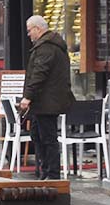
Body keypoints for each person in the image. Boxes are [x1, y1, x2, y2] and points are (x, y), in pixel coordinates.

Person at [19, 15, 75, 180]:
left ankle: (52, 174)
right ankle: (44, 171)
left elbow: (39, 73)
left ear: (37, 28)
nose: (28, 34)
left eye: (29, 31)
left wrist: (27, 96)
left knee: (47, 138)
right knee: (38, 135)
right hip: (45, 101)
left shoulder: (46, 48)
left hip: (47, 102)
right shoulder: (49, 45)